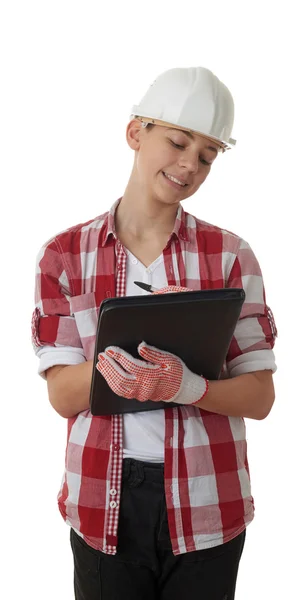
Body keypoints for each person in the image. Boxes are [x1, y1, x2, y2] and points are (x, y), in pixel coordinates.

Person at [32, 66, 277, 600]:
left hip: (209, 498)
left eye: (208, 155)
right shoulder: (65, 256)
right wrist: (131, 340)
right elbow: (62, 394)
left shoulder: (230, 257)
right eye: (178, 141)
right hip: (104, 499)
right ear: (135, 133)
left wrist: (187, 386)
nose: (190, 164)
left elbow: (260, 398)